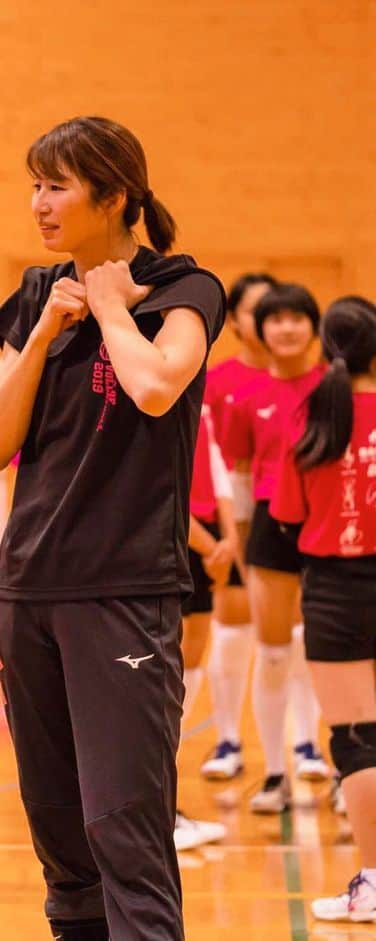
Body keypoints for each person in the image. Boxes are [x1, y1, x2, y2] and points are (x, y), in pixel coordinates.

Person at [0, 116, 225, 940]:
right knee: (62, 846)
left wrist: (113, 307)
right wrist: (45, 329)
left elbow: (155, 386)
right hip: (27, 593)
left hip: (124, 596)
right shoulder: (37, 298)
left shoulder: (183, 289)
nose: (39, 204)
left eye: (57, 185)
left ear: (114, 195)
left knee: (127, 834)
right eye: (34, 184)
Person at [271, 295, 376, 922]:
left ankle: (373, 879)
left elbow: (286, 517)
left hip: (337, 589)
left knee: (360, 740)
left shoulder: (311, 415)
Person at [219, 283, 330, 813]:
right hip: (268, 526)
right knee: (275, 652)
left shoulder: (334, 390)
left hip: (326, 523)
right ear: (258, 329)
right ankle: (275, 773)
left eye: (297, 317)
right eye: (275, 318)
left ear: (314, 326)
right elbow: (239, 478)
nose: (286, 327)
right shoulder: (248, 397)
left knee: (333, 654)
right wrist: (241, 546)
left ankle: (336, 766)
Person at [199, 273, 276, 780]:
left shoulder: (308, 379)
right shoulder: (217, 380)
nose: (270, 321)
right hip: (229, 511)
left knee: (289, 635)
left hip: (283, 513)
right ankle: (228, 738)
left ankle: (302, 750)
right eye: (257, 310)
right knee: (230, 628)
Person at [173, 407, 234, 851]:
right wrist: (212, 545)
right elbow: (155, 488)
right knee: (159, 669)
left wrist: (229, 538)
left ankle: (163, 800)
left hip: (208, 537)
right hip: (173, 535)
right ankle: (156, 808)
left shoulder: (201, 401)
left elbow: (216, 465)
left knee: (190, 660)